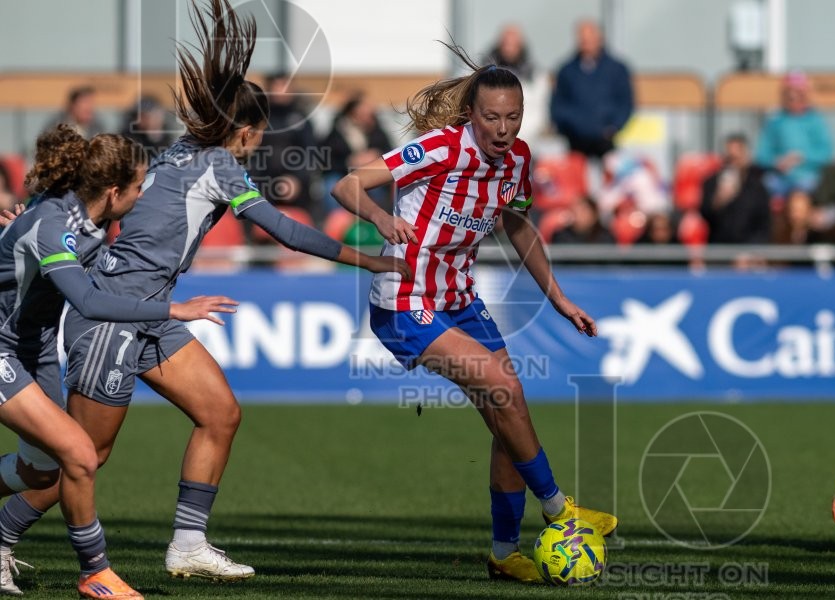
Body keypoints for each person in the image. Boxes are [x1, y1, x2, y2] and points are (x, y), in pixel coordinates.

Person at [0, 0, 409, 589]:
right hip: (113, 318)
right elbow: (286, 231)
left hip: (149, 313)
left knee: (220, 413)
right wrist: (372, 260)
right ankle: (7, 535)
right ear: (245, 131)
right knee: (84, 457)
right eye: (258, 134)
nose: (256, 144)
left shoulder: (181, 150)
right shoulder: (219, 163)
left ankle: (188, 546)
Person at [332, 44, 617, 585]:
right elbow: (346, 184)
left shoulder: (519, 159)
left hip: (460, 299)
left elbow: (518, 224)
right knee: (502, 387)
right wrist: (378, 216)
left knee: (506, 418)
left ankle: (505, 552)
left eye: (513, 116)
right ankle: (561, 512)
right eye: (492, 117)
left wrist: (556, 296)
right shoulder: (439, 148)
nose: (504, 128)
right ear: (471, 115)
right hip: (406, 299)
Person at [0, 124, 237, 599]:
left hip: (38, 351)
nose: (143, 194)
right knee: (82, 455)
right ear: (113, 192)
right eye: (138, 186)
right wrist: (175, 309)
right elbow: (88, 300)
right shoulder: (54, 227)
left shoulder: (82, 214)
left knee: (42, 471)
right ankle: (94, 572)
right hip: (3, 348)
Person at [550, 20, 633, 159]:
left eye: (589, 38)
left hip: (607, 143)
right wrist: (568, 128)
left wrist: (613, 127)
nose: (585, 42)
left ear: (600, 38)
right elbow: (558, 104)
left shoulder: (617, 69)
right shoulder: (567, 71)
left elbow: (625, 102)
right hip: (575, 143)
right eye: (582, 38)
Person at [248, 72, 321, 218]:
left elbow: (311, 152)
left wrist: (297, 179)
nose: (282, 91)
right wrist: (261, 180)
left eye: (286, 87)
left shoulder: (301, 119)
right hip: (262, 179)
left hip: (295, 182)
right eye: (278, 86)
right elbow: (251, 153)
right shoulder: (258, 118)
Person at [755, 72, 834, 197]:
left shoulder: (816, 120)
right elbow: (761, 155)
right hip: (780, 178)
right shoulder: (775, 121)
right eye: (790, 95)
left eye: (799, 94)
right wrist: (777, 162)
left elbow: (827, 152)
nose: (794, 98)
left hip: (808, 177)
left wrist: (802, 157)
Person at [700, 133, 771, 244]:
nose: (733, 163)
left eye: (737, 157)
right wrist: (718, 200)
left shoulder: (757, 187)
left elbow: (763, 226)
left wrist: (750, 254)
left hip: (749, 252)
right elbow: (705, 216)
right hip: (719, 250)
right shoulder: (711, 183)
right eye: (730, 158)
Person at [119, 96, 174, 160]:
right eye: (137, 116)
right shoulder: (129, 136)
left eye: (144, 116)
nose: (139, 120)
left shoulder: (166, 137)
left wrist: (154, 135)